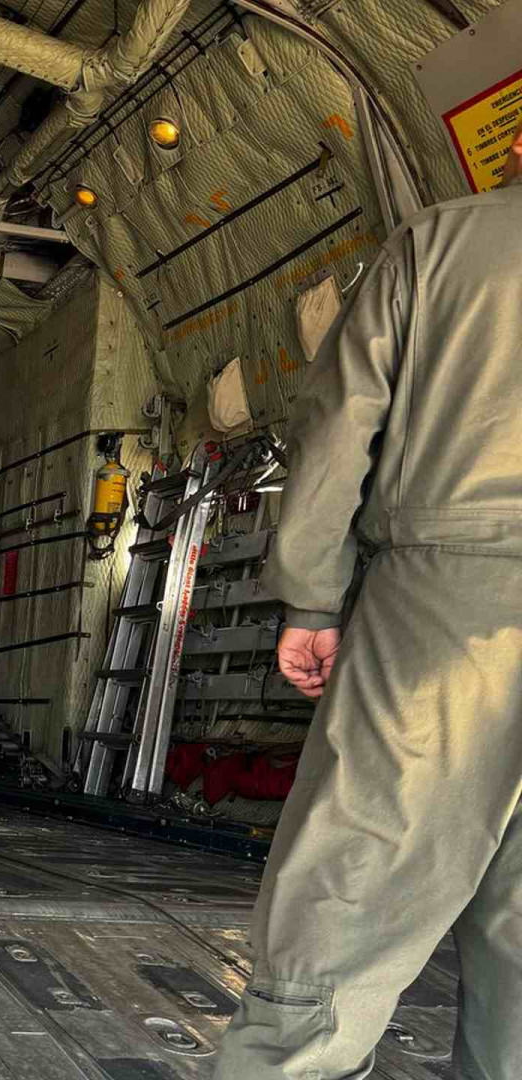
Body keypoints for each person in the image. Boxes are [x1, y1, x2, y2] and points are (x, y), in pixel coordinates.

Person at [215, 124, 522, 1078]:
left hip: (444, 605)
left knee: (349, 890)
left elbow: (340, 422)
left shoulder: (439, 244)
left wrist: (312, 596)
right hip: (449, 585)